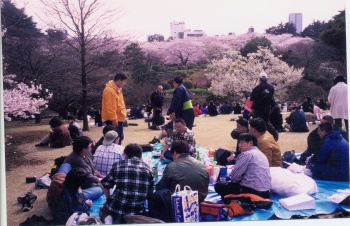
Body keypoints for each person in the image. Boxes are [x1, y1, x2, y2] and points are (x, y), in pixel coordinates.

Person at [99, 143, 154, 224]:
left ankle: (108, 219)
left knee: (102, 211)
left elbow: (105, 184)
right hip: (137, 212)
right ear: (141, 156)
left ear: (126, 155)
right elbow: (149, 194)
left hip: (116, 209)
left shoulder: (118, 165)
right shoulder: (149, 169)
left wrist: (108, 199)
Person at [214, 133, 271, 199]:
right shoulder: (261, 154)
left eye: (242, 143)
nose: (239, 146)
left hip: (253, 192)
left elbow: (234, 178)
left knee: (219, 185)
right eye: (239, 143)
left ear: (250, 143)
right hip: (266, 192)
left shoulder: (247, 154)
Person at [63, 136, 104, 200]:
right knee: (101, 189)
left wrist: (102, 177)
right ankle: (77, 198)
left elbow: (93, 170)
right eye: (90, 146)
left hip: (87, 180)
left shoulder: (86, 154)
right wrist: (100, 180)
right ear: (84, 149)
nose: (92, 147)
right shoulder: (77, 160)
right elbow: (87, 177)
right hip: (80, 184)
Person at [101, 73, 127, 145]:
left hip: (119, 118)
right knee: (115, 139)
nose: (124, 83)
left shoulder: (117, 89)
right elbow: (110, 107)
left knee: (119, 137)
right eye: (124, 81)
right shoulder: (110, 90)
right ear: (119, 81)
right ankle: (113, 153)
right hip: (113, 119)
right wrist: (114, 119)